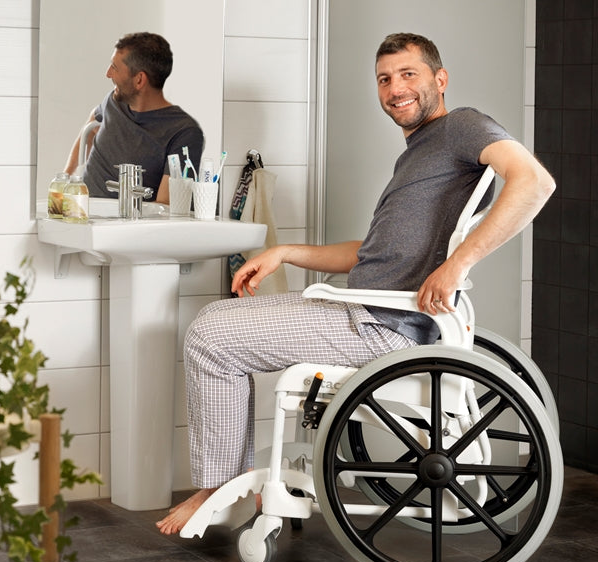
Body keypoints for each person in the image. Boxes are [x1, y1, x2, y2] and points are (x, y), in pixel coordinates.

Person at [156, 32, 555, 535]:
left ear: (440, 78)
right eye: (385, 79)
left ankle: (220, 489)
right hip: (368, 309)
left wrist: (457, 266)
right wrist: (285, 251)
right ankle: (231, 485)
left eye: (409, 74)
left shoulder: (461, 127)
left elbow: (535, 182)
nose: (395, 88)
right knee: (216, 322)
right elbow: (369, 253)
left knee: (211, 335)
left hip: (381, 324)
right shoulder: (418, 153)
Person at [64, 32, 204, 204]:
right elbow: (91, 126)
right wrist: (65, 179)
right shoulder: (113, 101)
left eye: (114, 68)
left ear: (139, 80)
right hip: (79, 212)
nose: (108, 74)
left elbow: (165, 207)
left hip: (127, 226)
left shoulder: (184, 132)